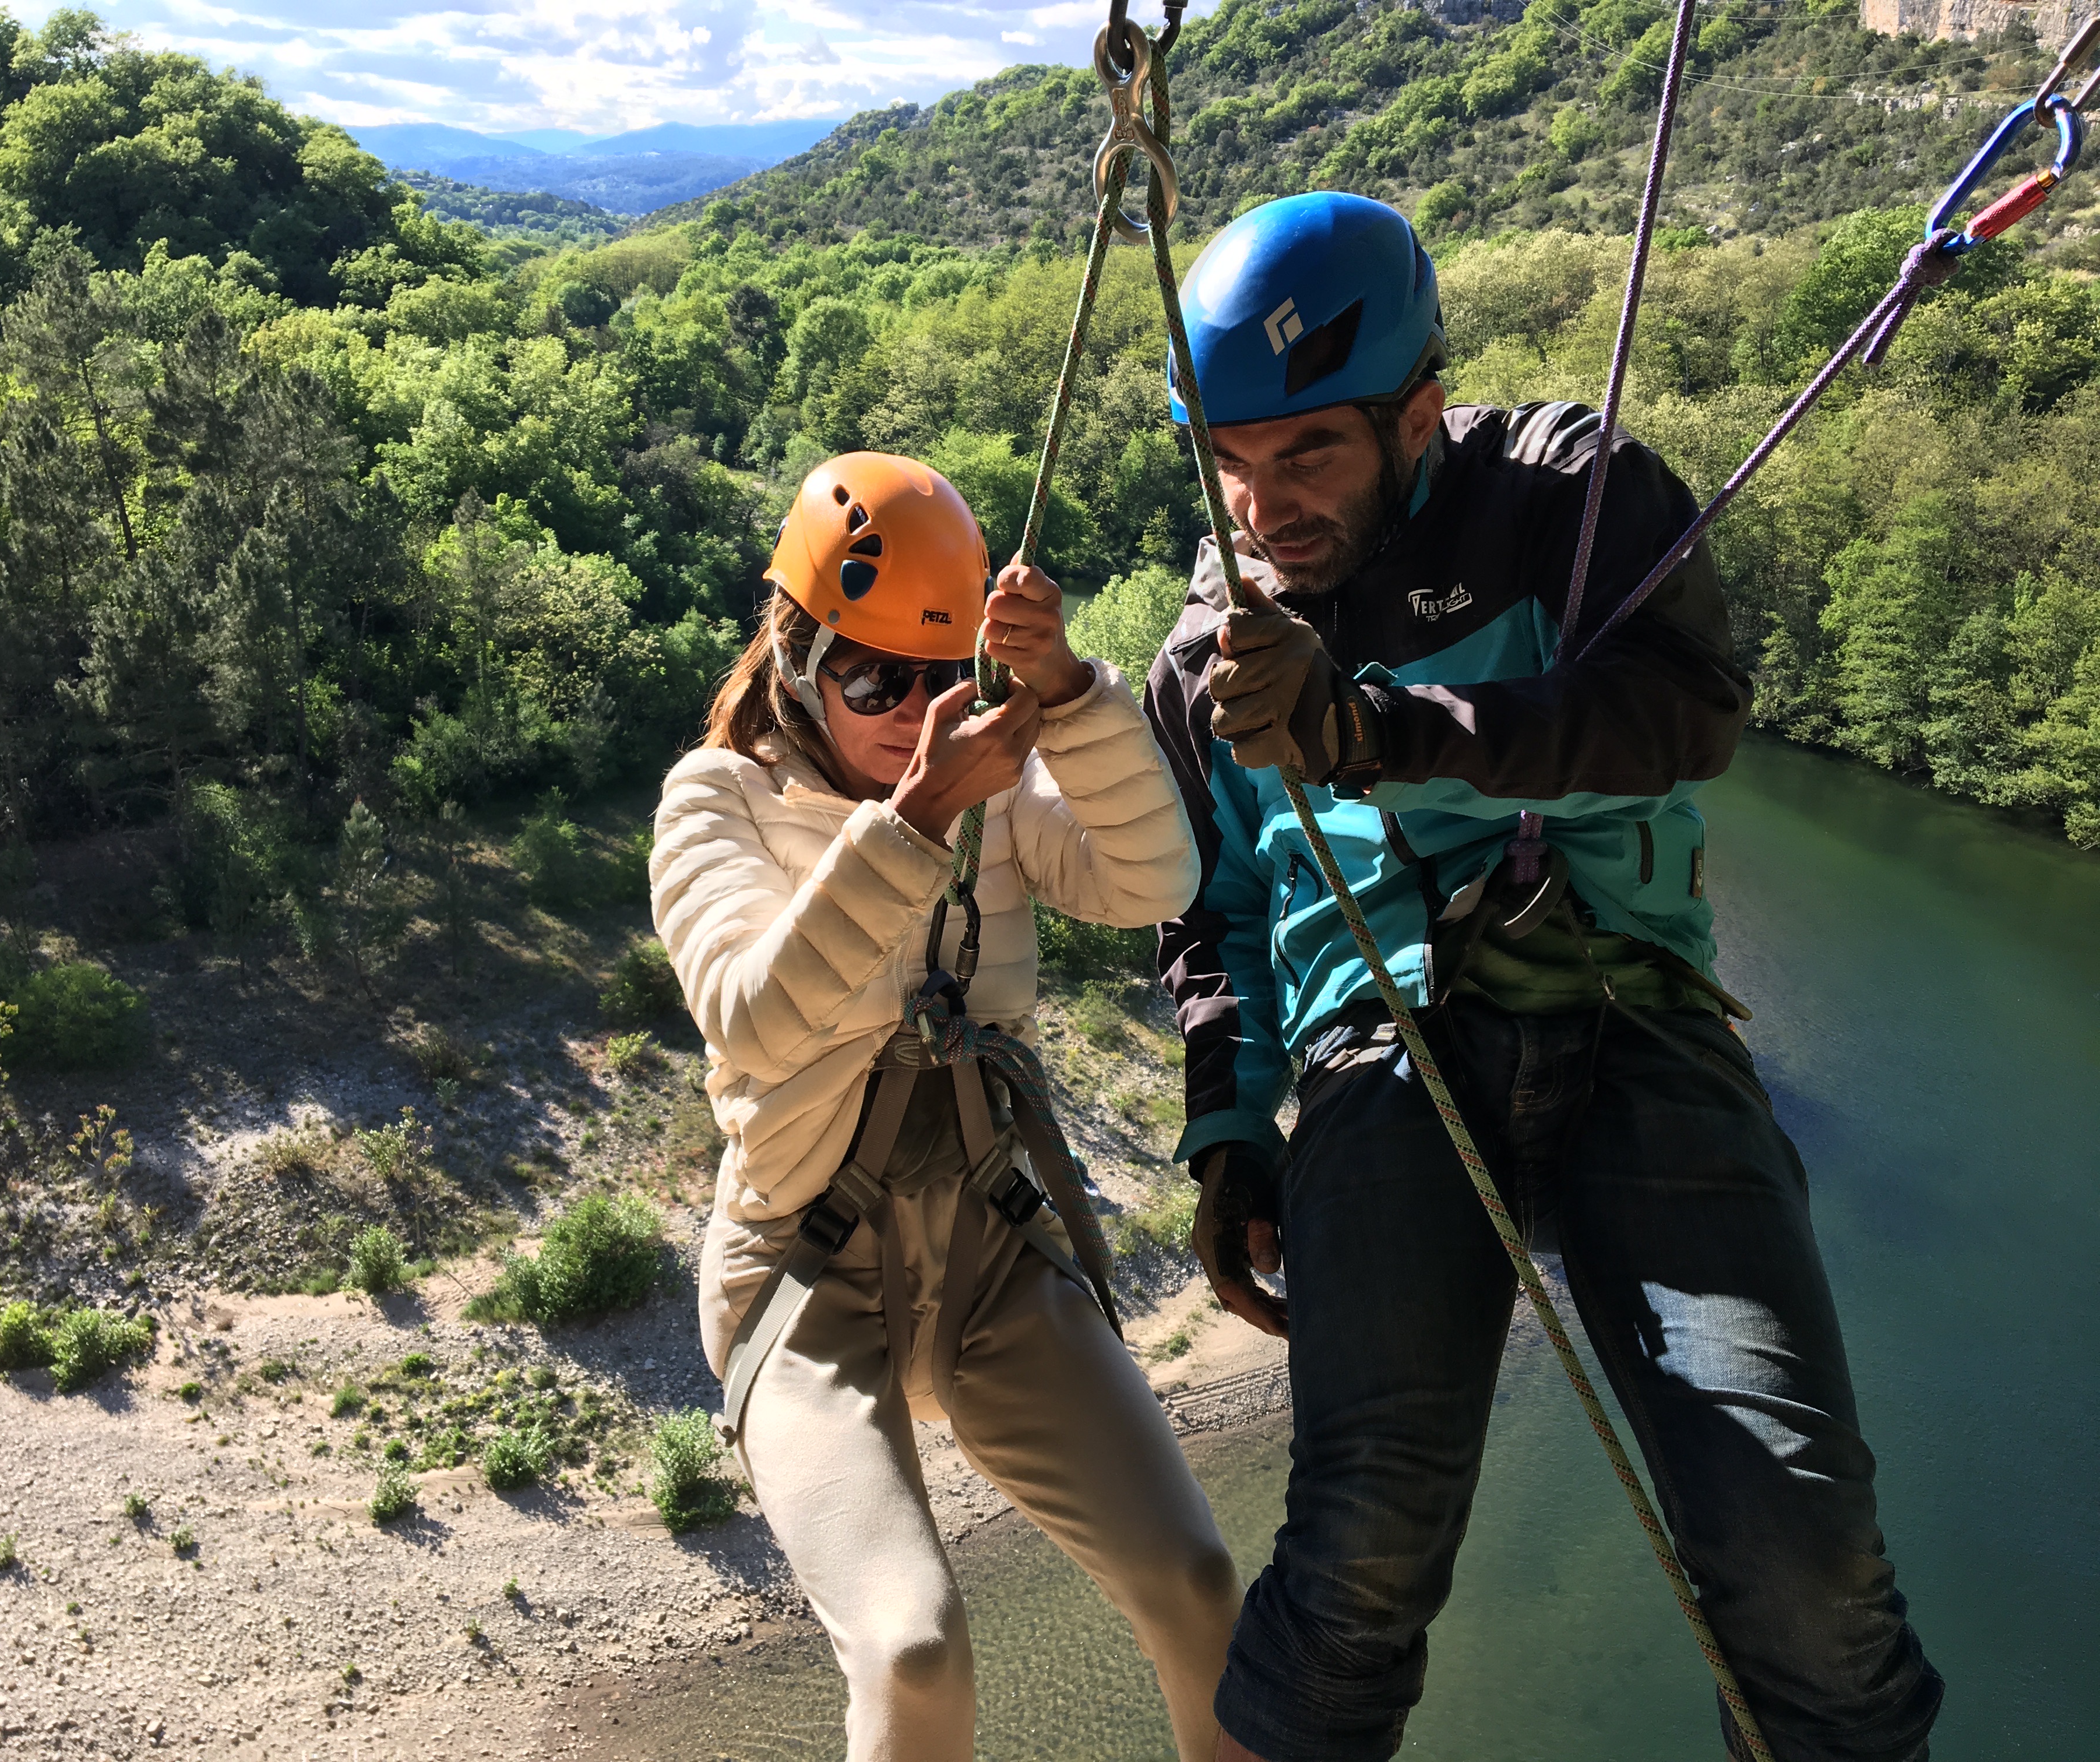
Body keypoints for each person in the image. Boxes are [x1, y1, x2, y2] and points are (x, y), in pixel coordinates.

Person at [1136, 193, 1944, 1762]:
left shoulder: (1568, 499)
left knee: (1801, 1544)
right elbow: (1211, 908)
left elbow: (1681, 711)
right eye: (1229, 460)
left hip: (1630, 1010)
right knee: (1363, 1538)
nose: (1265, 501)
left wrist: (1379, 728)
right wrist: (1229, 1132)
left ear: (1418, 410)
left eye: (1310, 453)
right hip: (1384, 1041)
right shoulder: (1205, 649)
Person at [649, 450, 1242, 1762]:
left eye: (943, 678)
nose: (915, 714)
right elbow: (751, 1011)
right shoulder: (719, 802)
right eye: (873, 679)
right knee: (915, 1649)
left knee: (1200, 1588)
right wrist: (916, 823)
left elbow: (1155, 882)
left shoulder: (1000, 794)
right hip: (804, 1282)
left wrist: (1075, 698)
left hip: (991, 1254)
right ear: (799, 657)